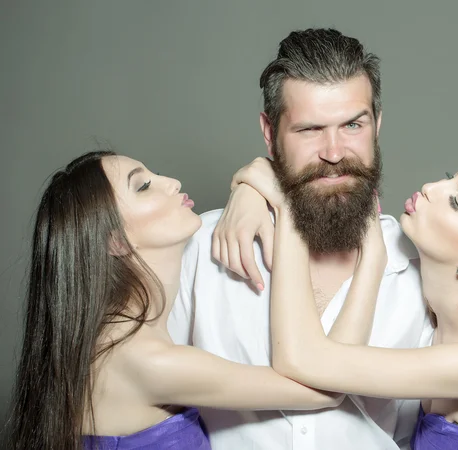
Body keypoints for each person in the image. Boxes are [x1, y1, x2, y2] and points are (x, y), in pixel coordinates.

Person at [223, 152, 458, 449]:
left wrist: (289, 206)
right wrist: (372, 256)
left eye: (456, 201)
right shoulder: (434, 325)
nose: (433, 187)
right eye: (452, 174)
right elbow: (330, 372)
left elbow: (303, 360)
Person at [168, 28, 434, 449]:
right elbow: (157, 417)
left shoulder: (422, 269)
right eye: (310, 129)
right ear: (270, 134)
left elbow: (415, 435)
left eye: (352, 124)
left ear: (377, 125)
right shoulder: (200, 248)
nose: (334, 151)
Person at [7, 150, 353, 450]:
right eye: (143, 186)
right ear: (115, 242)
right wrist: (368, 256)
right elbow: (326, 385)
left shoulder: (117, 339)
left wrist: (251, 191)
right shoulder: (149, 360)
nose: (170, 182)